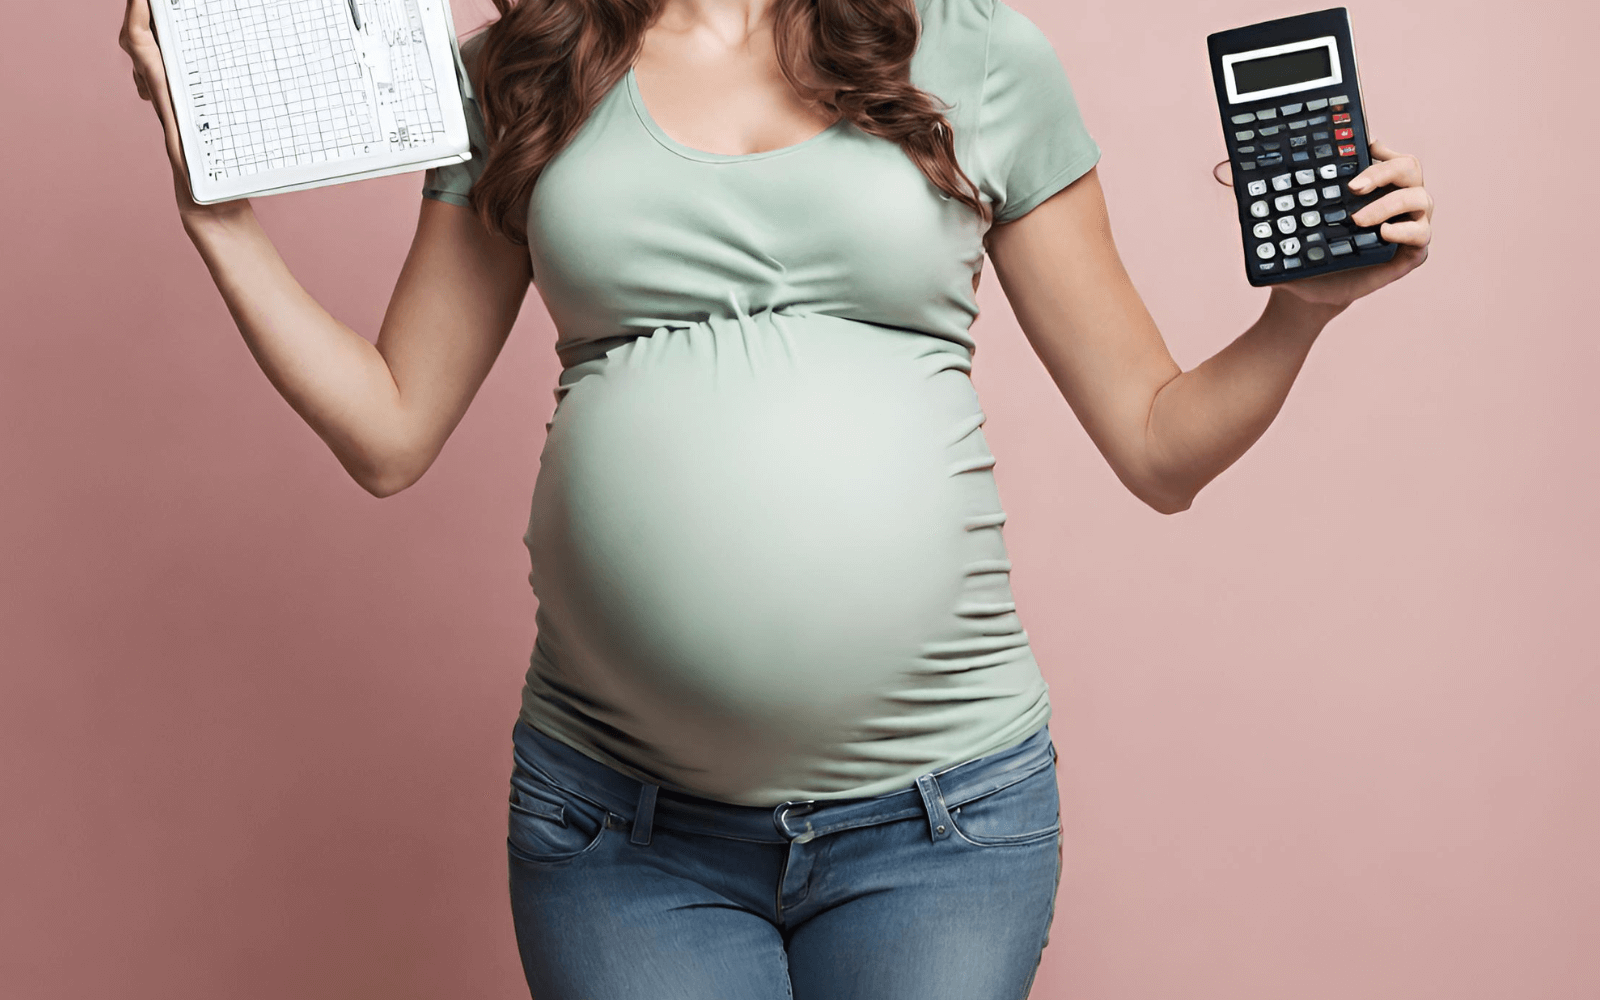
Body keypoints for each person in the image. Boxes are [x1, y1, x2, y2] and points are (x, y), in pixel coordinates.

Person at [118, 0, 1434, 996]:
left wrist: (1297, 315)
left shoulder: (973, 55)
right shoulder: (520, 69)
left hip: (941, 824)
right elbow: (391, 430)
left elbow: (1159, 447)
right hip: (620, 830)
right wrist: (219, 218)